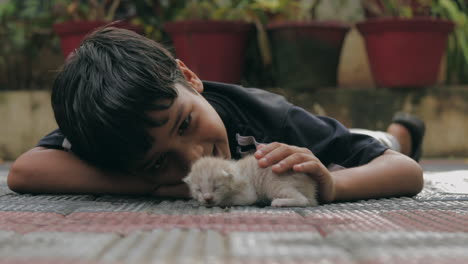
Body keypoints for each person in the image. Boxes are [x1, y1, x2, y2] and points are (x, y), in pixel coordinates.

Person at [7, 27, 425, 203]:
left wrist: (332, 183)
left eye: (185, 124)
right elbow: (25, 171)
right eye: (158, 160)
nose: (192, 159)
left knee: (376, 143)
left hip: (333, 139)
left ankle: (400, 130)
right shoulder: (119, 129)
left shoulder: (269, 119)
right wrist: (147, 183)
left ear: (189, 76)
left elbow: (405, 172)